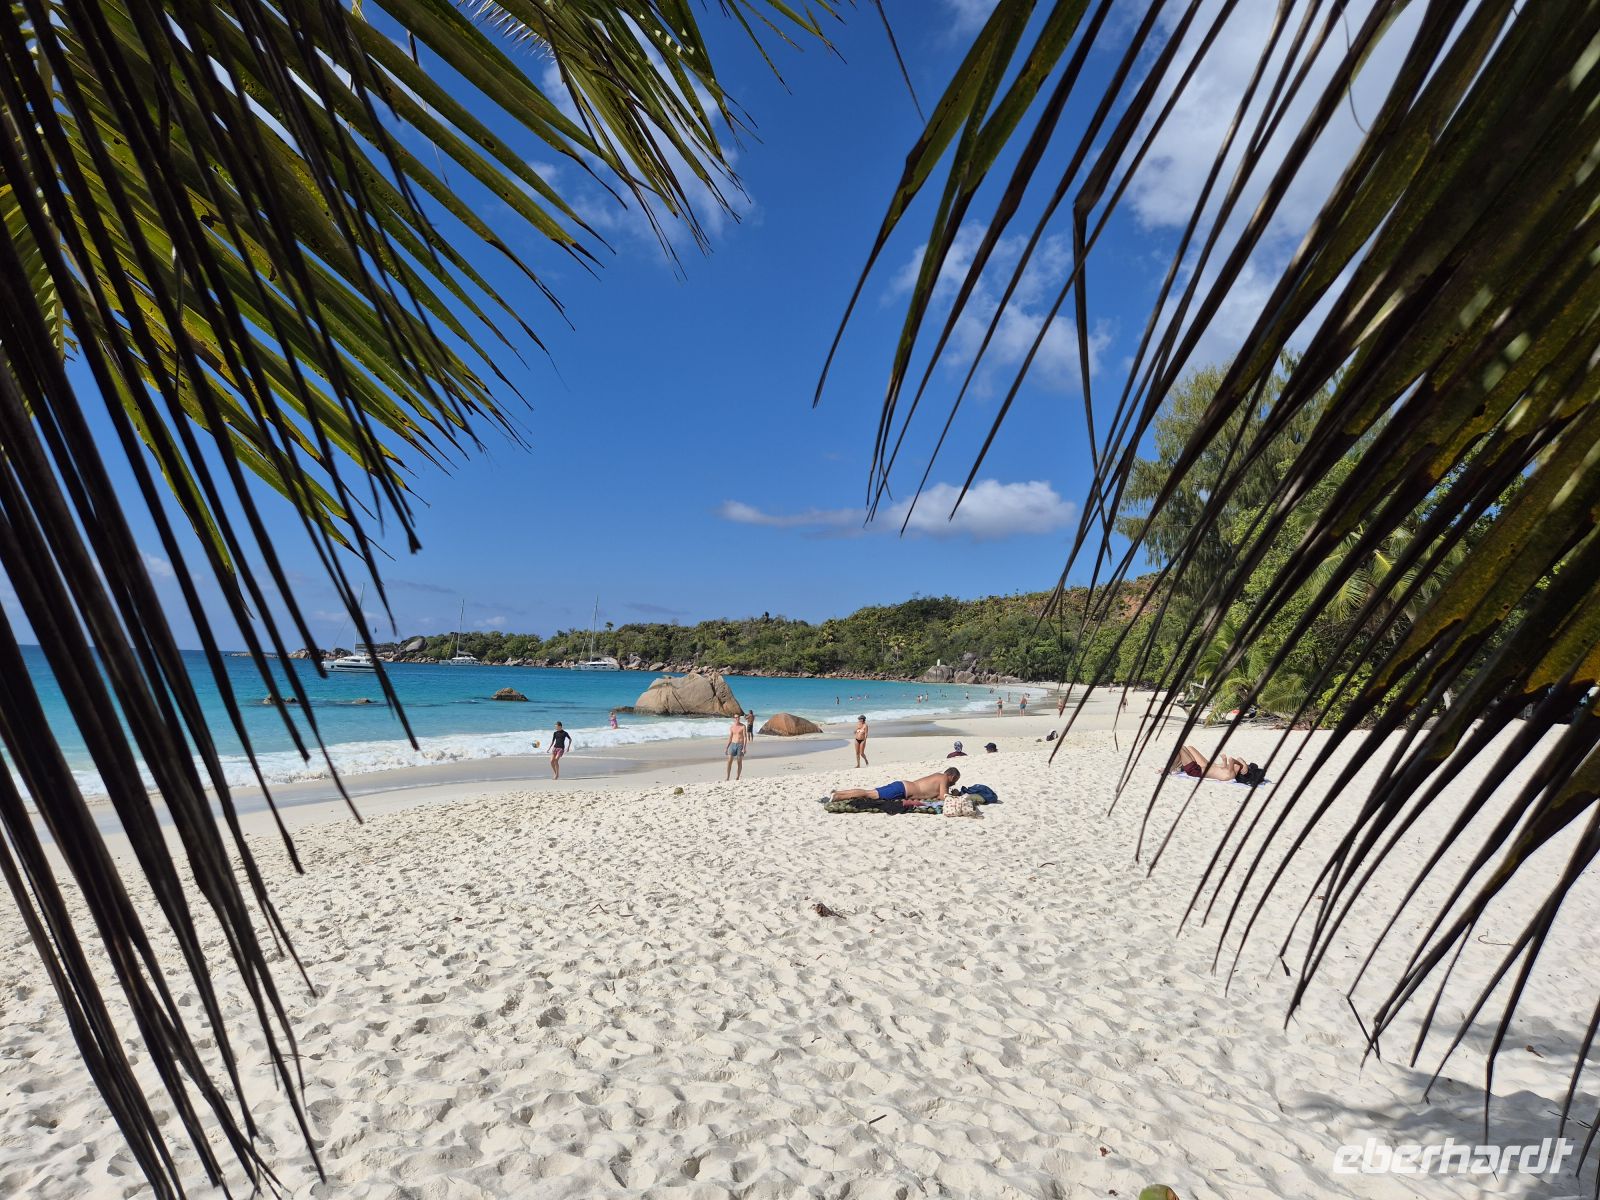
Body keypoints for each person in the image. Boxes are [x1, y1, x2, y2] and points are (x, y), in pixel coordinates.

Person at [826, 768, 960, 811]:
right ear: (952, 776)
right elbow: (943, 796)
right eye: (955, 780)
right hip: (902, 790)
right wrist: (955, 794)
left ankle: (838, 793)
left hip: (902, 787)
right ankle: (838, 796)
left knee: (870, 792)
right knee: (869, 794)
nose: (953, 783)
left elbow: (936, 795)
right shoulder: (943, 777)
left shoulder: (938, 777)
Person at [1168, 744, 1248, 781]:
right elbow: (1232, 762)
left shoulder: (1231, 774)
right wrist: (1244, 764)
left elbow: (1231, 760)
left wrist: (1242, 764)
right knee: (1184, 748)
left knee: (1179, 748)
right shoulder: (1230, 772)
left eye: (1238, 766)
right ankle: (1175, 767)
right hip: (1198, 769)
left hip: (1195, 771)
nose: (1236, 765)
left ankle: (1169, 769)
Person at [725, 711, 750, 780]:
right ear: (734, 718)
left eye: (738, 717)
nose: (737, 718)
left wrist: (744, 748)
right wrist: (727, 747)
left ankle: (737, 777)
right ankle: (727, 777)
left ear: (739, 718)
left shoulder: (743, 726)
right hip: (732, 744)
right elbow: (730, 737)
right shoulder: (732, 727)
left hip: (740, 745)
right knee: (729, 761)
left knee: (739, 762)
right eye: (735, 717)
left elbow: (745, 737)